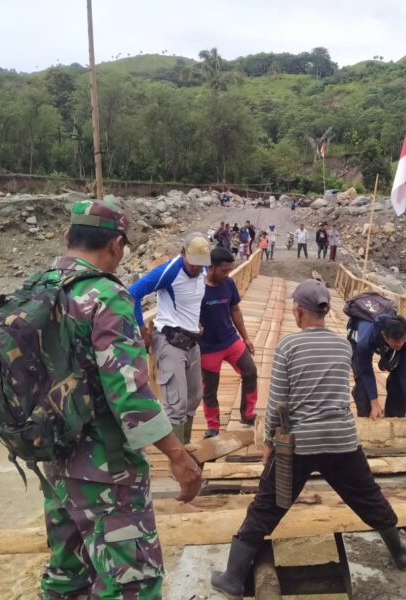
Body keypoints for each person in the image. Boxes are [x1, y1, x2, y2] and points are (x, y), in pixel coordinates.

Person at [40, 200, 202, 598]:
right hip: (105, 470)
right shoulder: (106, 296)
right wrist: (179, 457)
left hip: (54, 461)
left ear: (66, 239)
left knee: (67, 576)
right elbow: (130, 394)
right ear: (115, 245)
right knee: (133, 582)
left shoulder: (41, 289)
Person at [211, 280, 406, 599]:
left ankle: (233, 577)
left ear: (299, 311)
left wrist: (269, 443)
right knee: (367, 496)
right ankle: (400, 555)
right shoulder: (343, 346)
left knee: (267, 506)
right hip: (341, 440)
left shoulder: (288, 346)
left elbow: (279, 403)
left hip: (298, 445)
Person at [128, 233, 211, 444]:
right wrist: (141, 328)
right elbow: (133, 294)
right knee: (176, 404)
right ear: (183, 253)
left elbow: (193, 299)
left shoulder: (203, 270)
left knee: (194, 398)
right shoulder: (169, 271)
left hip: (192, 341)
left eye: (201, 265)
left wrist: (196, 321)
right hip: (170, 341)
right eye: (193, 264)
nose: (197, 269)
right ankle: (179, 464)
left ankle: (187, 448)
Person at [200, 247, 258, 438]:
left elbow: (235, 311)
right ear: (211, 267)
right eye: (223, 270)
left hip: (231, 340)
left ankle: (247, 415)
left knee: (250, 372)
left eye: (229, 270)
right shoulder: (197, 288)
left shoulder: (229, 283)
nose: (227, 274)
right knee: (210, 389)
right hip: (207, 348)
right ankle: (213, 426)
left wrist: (246, 337)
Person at [350, 314, 406, 419]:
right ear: (385, 336)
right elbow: (366, 371)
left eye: (403, 339)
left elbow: (405, 371)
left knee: (399, 383)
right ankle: (368, 417)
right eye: (397, 341)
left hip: (385, 343)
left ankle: (394, 416)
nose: (401, 344)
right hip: (358, 338)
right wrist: (374, 403)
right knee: (364, 385)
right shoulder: (365, 341)